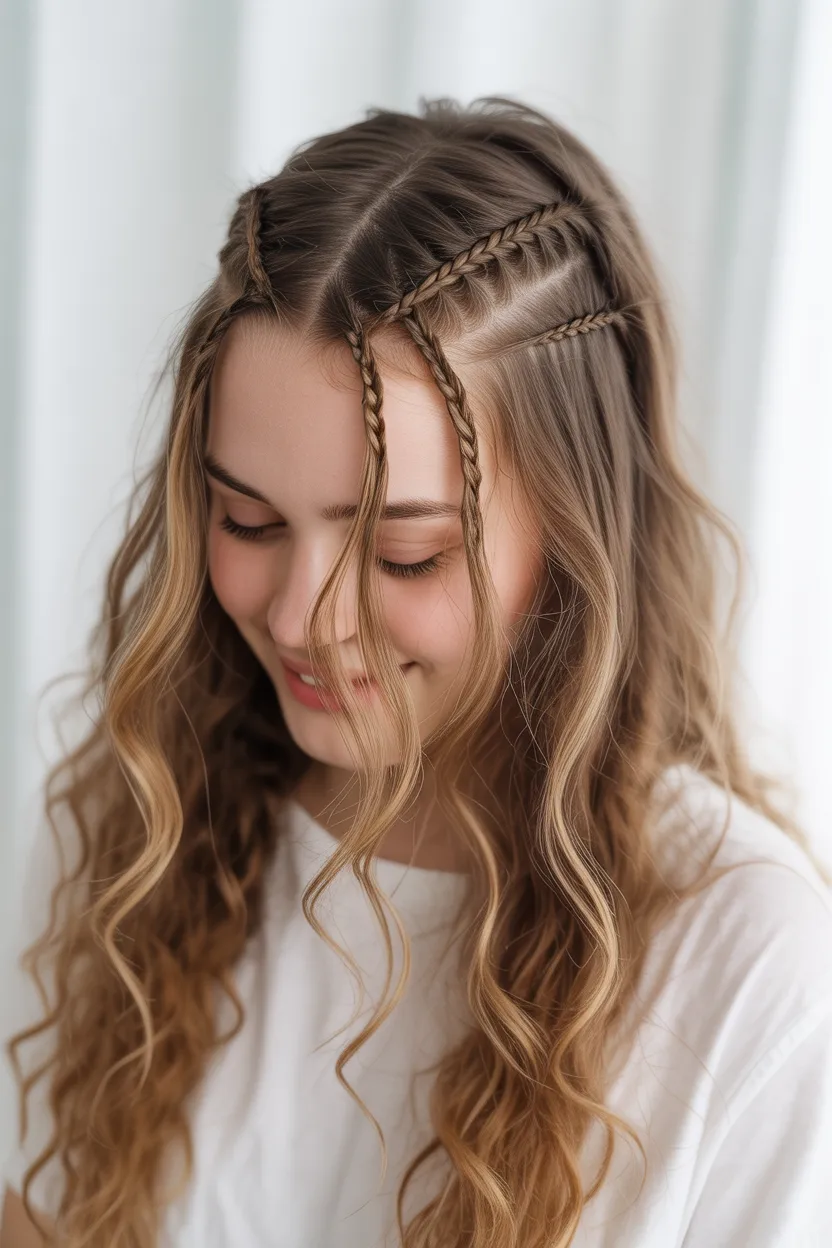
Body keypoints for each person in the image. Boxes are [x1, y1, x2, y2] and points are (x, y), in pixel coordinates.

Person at [2, 95, 831, 1248]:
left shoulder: (747, 967)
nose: (300, 615)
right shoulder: (144, 827)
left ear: (579, 538)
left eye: (404, 553)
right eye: (247, 521)